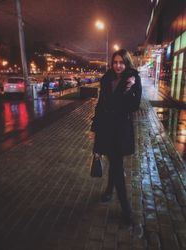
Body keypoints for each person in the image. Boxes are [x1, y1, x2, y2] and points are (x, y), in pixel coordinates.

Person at [90, 49, 142, 226]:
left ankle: (126, 210)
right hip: (105, 127)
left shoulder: (133, 78)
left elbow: (135, 105)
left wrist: (128, 90)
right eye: (115, 62)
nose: (118, 65)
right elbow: (101, 103)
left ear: (126, 63)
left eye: (121, 62)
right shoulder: (106, 79)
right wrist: (95, 126)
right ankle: (109, 191)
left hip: (120, 129)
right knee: (114, 160)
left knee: (117, 165)